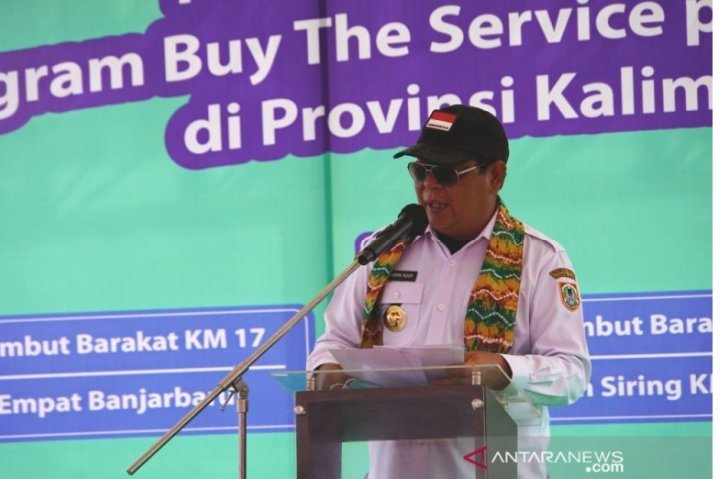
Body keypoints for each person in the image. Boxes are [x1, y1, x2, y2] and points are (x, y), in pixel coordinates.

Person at [307, 104, 591, 479]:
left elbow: (571, 373)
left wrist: (505, 370)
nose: (429, 185)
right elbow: (335, 342)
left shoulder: (538, 259)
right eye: (420, 171)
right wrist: (327, 370)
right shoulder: (384, 250)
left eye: (445, 173)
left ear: (495, 176)